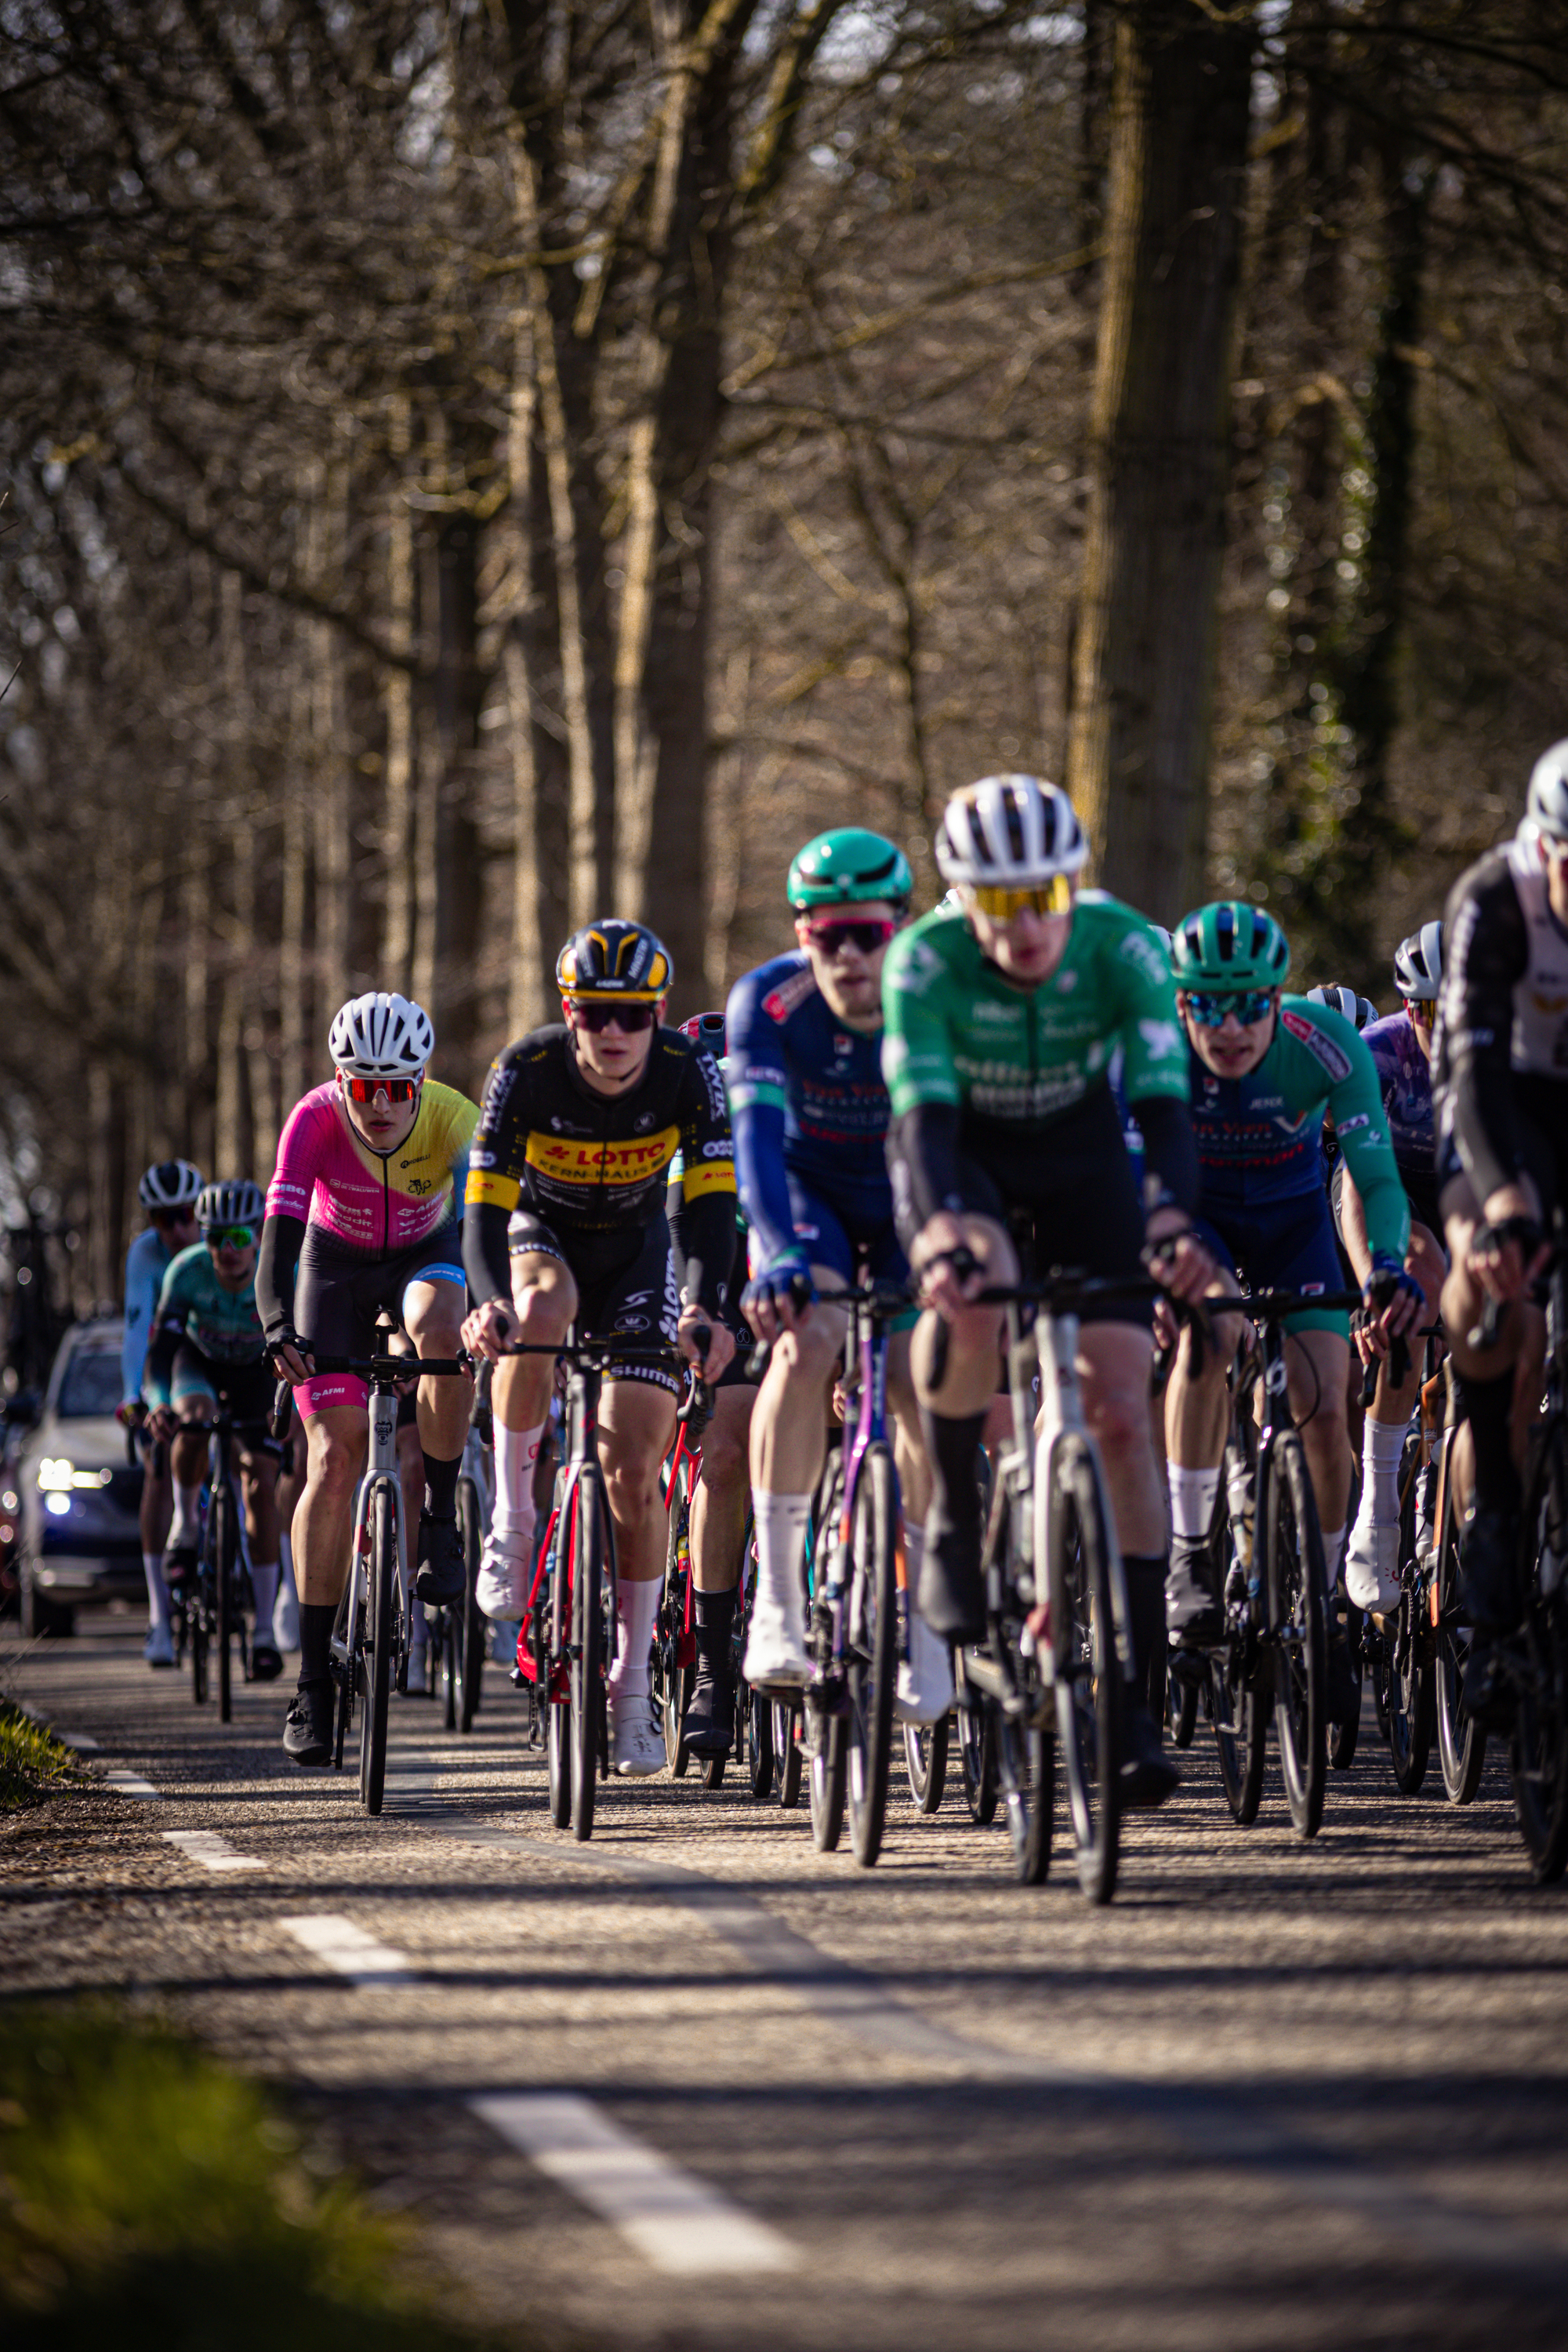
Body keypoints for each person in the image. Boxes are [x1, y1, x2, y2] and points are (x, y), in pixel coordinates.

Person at [881, 775, 1216, 1808]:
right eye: (1004, 902)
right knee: (973, 1292)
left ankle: (1135, 1694)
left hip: (1080, 1157)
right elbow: (923, 1130)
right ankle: (947, 1515)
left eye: (1050, 895)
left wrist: (1167, 1217)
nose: (1030, 926)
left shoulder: (1123, 948)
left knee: (1121, 1408)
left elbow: (1164, 1108)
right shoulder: (923, 963)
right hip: (968, 1156)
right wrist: (938, 1232)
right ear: (964, 899)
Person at [459, 920, 737, 1777]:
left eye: (632, 1016)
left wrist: (704, 1307)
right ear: (567, 1012)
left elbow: (713, 1203)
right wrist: (486, 1306)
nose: (613, 1034)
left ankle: (625, 1693)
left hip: (638, 1251)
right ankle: (511, 1521)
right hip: (544, 1234)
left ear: (656, 1015)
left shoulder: (687, 1075)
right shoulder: (525, 1072)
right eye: (594, 1015)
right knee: (539, 1306)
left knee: (633, 1466)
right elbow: (480, 1209)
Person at [725, 829, 949, 1722]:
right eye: (826, 936)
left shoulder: (934, 1000)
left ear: (901, 925)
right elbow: (752, 1150)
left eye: (868, 934)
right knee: (806, 1337)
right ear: (800, 932)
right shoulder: (766, 1005)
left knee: (918, 1388)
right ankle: (778, 1604)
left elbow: (952, 1141)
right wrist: (775, 1251)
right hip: (805, 1194)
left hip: (903, 1194)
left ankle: (928, 1632)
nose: (849, 956)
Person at [1161, 903, 1420, 1661]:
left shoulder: (1329, 1042)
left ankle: (1326, 1588)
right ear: (1181, 1003)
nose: (1232, 1027)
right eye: (1210, 1005)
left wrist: (1390, 1267)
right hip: (1198, 1218)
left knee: (1326, 1400)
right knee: (1205, 1341)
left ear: (1279, 999)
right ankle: (1189, 1553)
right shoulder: (1152, 1048)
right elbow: (1130, 1173)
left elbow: (1375, 1175)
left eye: (1252, 1006)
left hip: (1294, 1225)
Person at [258, 992, 478, 1766]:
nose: (379, 1104)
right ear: (341, 1082)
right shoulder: (312, 1121)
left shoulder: (456, 1117)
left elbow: (488, 1224)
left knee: (447, 1335)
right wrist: (277, 1327)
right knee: (334, 1455)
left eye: (396, 1087)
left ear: (419, 1082)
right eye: (363, 1086)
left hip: (426, 1254)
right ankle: (314, 1680)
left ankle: (441, 1523)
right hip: (334, 1270)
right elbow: (278, 1241)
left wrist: (494, 1306)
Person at [1433, 743, 1568, 1725]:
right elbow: (1467, 1077)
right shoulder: (1493, 895)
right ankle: (1490, 1526)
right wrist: (1500, 1206)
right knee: (1497, 1296)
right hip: (1503, 1110)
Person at [1334, 926, 1448, 1607]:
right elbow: (1355, 1182)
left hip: (1468, 1185)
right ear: (1409, 1011)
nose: (1444, 1028)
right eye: (1429, 1011)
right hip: (1387, 1186)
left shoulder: (1506, 1054)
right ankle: (1377, 1515)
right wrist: (1371, 1277)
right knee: (1417, 1280)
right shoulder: (1377, 1057)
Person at [143, 1179, 283, 1680]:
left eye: (239, 1239)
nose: (227, 1251)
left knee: (262, 1480)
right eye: (215, 1238)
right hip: (198, 1364)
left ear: (256, 1236)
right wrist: (158, 1404)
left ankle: (264, 1630)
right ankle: (187, 1524)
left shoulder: (278, 1269)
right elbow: (160, 1356)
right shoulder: (186, 1272)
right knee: (193, 1417)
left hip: (255, 1373)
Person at [664, 1011, 757, 1758]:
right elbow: (677, 1254)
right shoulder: (676, 1147)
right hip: (706, 1303)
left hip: (785, 1294)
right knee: (724, 1457)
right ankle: (714, 1676)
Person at [120, 1159, 202, 1667]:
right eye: (162, 1219)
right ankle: (158, 1617)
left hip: (219, 1360)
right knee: (157, 1468)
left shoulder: (220, 1241)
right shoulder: (144, 1255)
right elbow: (136, 1331)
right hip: (167, 1366)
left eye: (184, 1215)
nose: (175, 1229)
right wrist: (137, 1397)